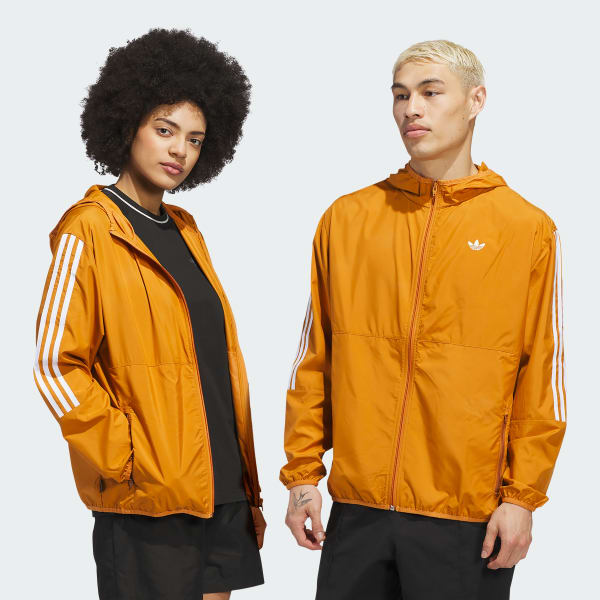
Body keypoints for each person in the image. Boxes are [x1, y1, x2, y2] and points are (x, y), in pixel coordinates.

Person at [281, 39, 567, 600]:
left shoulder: (526, 228)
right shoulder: (347, 218)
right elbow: (314, 360)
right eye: (400, 95)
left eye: (431, 92)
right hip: (358, 512)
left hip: (466, 518)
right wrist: (302, 476)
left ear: (475, 100)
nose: (412, 109)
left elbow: (541, 376)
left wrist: (522, 498)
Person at [33, 27, 265, 600]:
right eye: (164, 130)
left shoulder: (187, 231)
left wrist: (244, 482)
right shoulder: (88, 228)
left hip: (221, 488)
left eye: (194, 138)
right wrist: (126, 456)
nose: (179, 150)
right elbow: (55, 365)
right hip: (149, 498)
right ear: (127, 124)